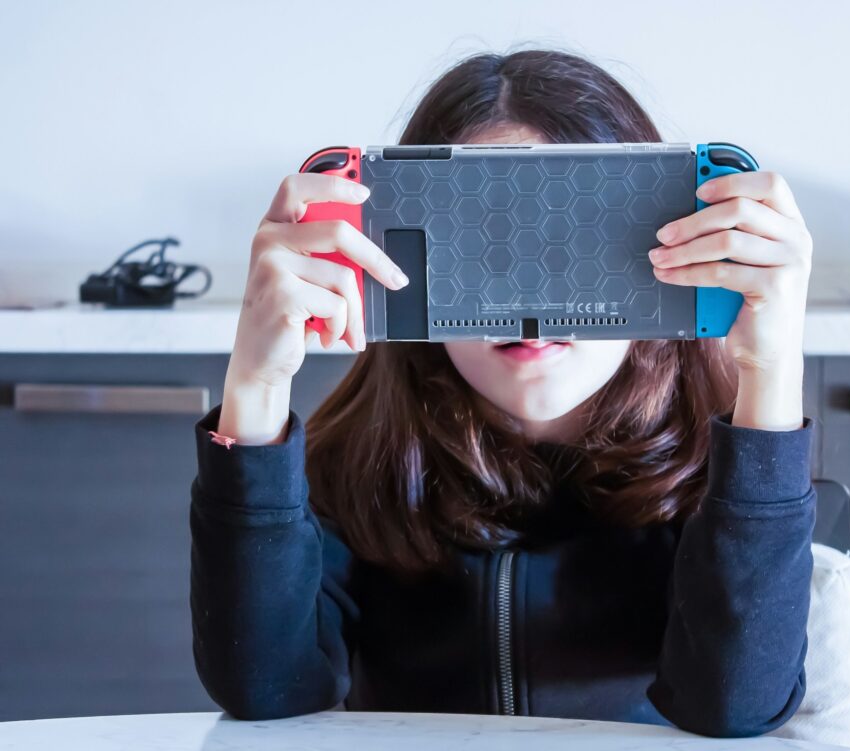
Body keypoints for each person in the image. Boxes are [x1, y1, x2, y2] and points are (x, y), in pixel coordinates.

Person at [189, 48, 818, 737]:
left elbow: (736, 705)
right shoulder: (357, 465)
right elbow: (265, 691)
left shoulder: (714, 473)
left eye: (575, 241)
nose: (531, 307)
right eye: (487, 246)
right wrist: (254, 383)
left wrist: (771, 375)